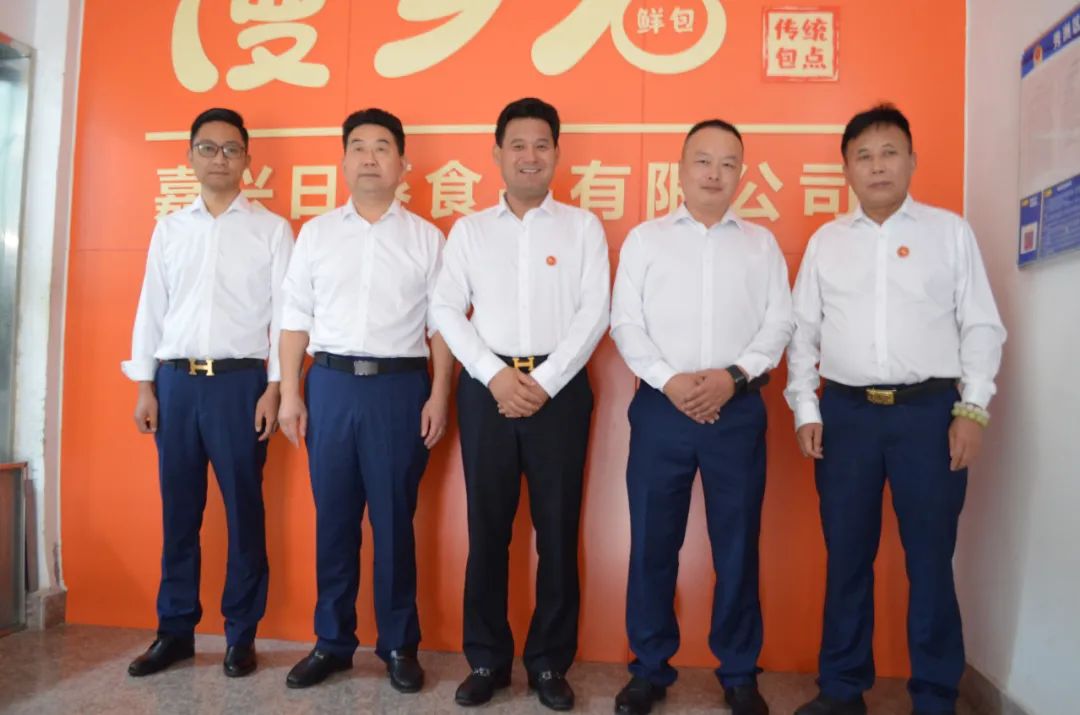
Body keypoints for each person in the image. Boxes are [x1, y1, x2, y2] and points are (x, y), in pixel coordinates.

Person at [786, 104, 1006, 715]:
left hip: (928, 415)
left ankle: (935, 695)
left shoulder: (949, 233)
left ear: (912, 160)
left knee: (930, 559)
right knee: (847, 556)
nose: (877, 166)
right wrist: (806, 408)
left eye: (889, 153)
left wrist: (972, 409)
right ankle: (841, 689)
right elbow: (802, 334)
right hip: (847, 416)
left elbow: (981, 326)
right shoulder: (827, 243)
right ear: (846, 170)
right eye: (864, 156)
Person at [431, 97, 610, 711]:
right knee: (487, 531)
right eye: (517, 145)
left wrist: (545, 382)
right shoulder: (471, 231)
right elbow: (445, 307)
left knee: (557, 533)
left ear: (556, 153)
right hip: (488, 393)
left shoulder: (582, 227)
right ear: (497, 154)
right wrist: (493, 375)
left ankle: (549, 663)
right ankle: (486, 659)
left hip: (560, 393)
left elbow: (595, 312)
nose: (529, 156)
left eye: (541, 145)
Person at [609, 119, 792, 715]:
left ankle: (738, 672)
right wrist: (671, 381)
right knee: (652, 543)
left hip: (736, 410)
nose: (714, 173)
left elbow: (779, 323)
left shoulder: (761, 245)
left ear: (742, 173)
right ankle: (649, 668)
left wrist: (731, 378)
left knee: (736, 546)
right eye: (703, 161)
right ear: (681, 169)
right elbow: (625, 323)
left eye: (727, 163)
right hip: (661, 410)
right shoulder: (646, 240)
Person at [277, 108, 452, 693]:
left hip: (400, 390)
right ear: (343, 160)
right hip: (329, 385)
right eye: (358, 146)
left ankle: (399, 645)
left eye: (382, 147)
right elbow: (295, 318)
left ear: (403, 163)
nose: (370, 157)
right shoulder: (317, 234)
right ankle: (332, 642)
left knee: (394, 523)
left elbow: (441, 327)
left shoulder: (427, 239)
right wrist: (291, 393)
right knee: (334, 520)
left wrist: (439, 394)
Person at [123, 107, 293, 679]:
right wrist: (145, 386)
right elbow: (151, 308)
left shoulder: (271, 230)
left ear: (247, 158)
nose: (219, 158)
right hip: (175, 384)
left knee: (245, 512)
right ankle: (174, 631)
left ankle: (240, 635)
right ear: (190, 156)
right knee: (179, 514)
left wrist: (275, 387)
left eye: (230, 149)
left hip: (241, 385)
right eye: (208, 147)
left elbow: (285, 316)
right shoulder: (170, 229)